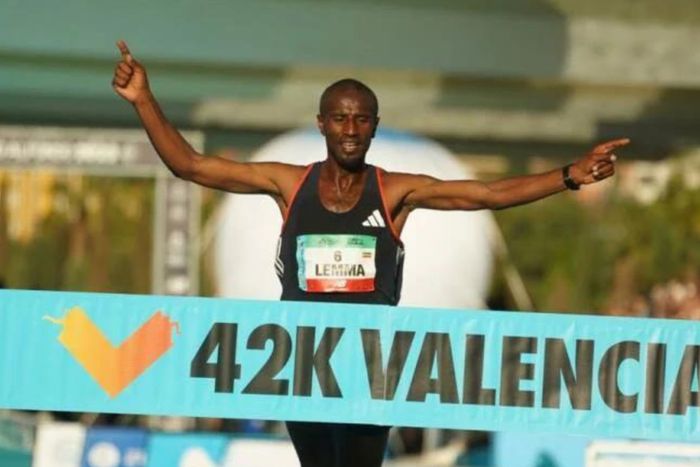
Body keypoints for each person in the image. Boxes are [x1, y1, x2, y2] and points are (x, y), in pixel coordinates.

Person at [112, 40, 627, 467]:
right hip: (305, 360)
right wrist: (143, 100)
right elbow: (192, 166)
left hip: (371, 361)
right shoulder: (289, 184)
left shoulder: (394, 190)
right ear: (321, 124)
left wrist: (569, 176)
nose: (351, 130)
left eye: (361, 119)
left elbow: (486, 194)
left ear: (375, 126)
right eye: (340, 118)